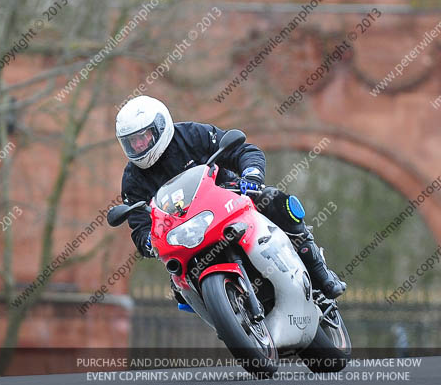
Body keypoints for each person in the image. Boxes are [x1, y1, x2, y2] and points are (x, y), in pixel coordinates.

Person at [116, 95, 346, 299]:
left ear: (159, 127)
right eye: (131, 142)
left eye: (142, 137)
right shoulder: (132, 179)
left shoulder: (192, 135)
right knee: (178, 288)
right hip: (184, 233)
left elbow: (242, 150)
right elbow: (139, 226)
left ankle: (319, 270)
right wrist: (149, 241)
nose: (138, 145)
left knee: (275, 200)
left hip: (225, 198)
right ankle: (227, 319)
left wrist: (252, 176)